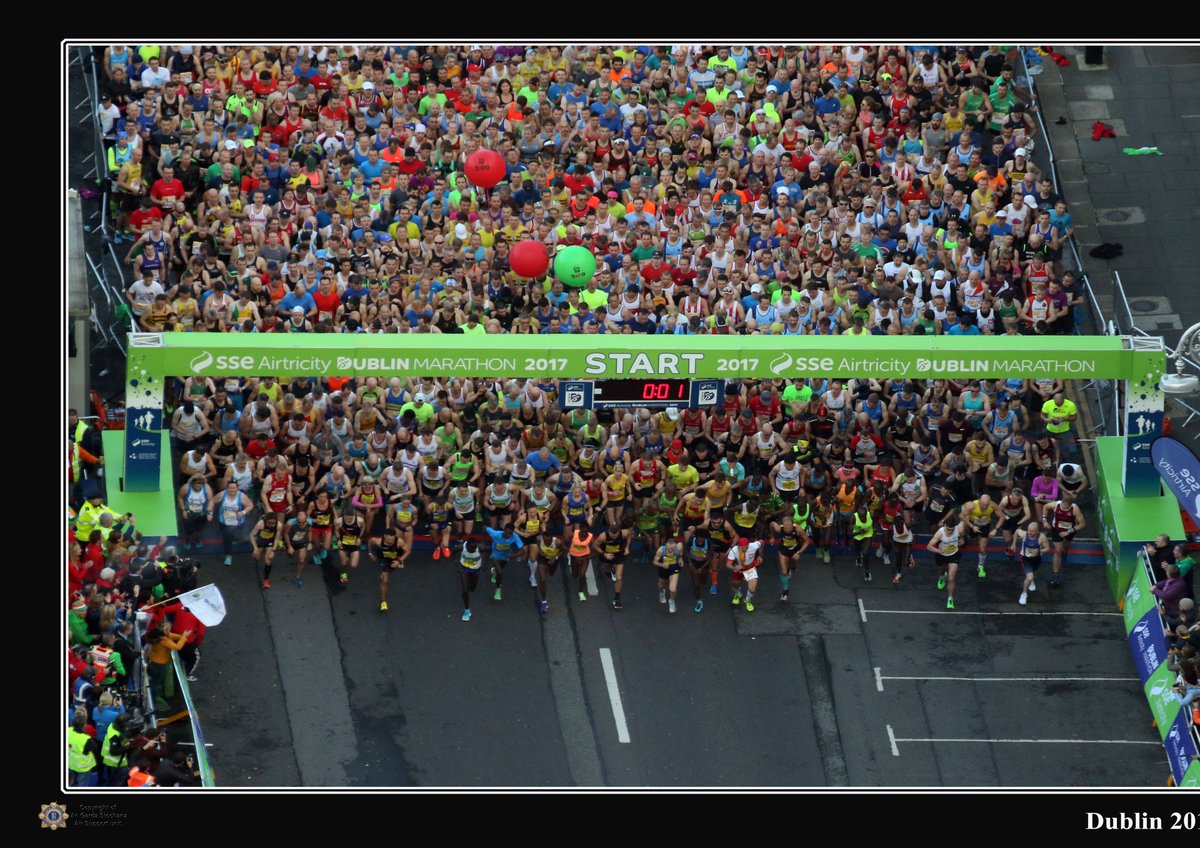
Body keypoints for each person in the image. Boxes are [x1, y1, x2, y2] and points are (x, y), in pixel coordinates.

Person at [1042, 492, 1084, 587]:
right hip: (1057, 530)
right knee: (1058, 550)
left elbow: (1082, 524)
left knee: (1065, 547)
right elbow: (1045, 507)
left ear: (1070, 505)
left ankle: (1065, 553)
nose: (1064, 509)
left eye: (1066, 508)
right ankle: (1055, 575)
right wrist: (1044, 520)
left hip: (1070, 530)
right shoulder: (1056, 505)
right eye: (1063, 507)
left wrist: (1068, 531)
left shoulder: (1075, 509)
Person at [928, 512, 966, 610]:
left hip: (954, 555)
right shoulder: (940, 533)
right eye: (948, 529)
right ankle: (942, 576)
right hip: (941, 555)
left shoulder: (958, 529)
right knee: (941, 570)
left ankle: (950, 598)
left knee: (951, 578)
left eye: (952, 529)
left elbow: (964, 518)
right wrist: (939, 551)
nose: (950, 531)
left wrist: (962, 540)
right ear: (945, 526)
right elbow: (929, 546)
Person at [210, 479, 252, 566]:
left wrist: (243, 512)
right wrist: (210, 513)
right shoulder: (222, 494)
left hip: (238, 523)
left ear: (237, 488)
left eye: (234, 488)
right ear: (227, 488)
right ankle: (228, 556)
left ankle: (235, 539)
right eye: (230, 488)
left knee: (236, 537)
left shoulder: (242, 496)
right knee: (227, 538)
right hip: (224, 521)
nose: (232, 490)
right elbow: (212, 501)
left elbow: (250, 505)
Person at [1008, 521, 1050, 605]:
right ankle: (1024, 593)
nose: (1029, 533)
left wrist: (1039, 550)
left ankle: (1032, 581)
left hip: (1036, 558)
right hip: (1025, 559)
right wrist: (1014, 544)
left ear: (1037, 531)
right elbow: (1016, 531)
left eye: (1032, 531)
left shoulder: (1042, 537)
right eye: (1028, 530)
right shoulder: (1024, 534)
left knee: (1034, 572)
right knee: (1029, 577)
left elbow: (1048, 548)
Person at [594, 518, 632, 610]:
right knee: (607, 570)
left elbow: (629, 536)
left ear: (619, 531)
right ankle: (609, 571)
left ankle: (617, 599)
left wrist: (627, 547)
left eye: (616, 536)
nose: (614, 538)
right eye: (612, 536)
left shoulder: (624, 532)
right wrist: (604, 554)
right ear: (609, 531)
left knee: (619, 578)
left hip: (618, 555)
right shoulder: (603, 536)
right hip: (606, 555)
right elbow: (595, 545)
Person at [960, 494, 1001, 578]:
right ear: (979, 502)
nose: (985, 507)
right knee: (975, 542)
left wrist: (995, 529)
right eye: (983, 505)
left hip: (985, 526)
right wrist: (972, 526)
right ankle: (966, 536)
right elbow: (961, 515)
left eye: (987, 505)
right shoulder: (972, 505)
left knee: (982, 548)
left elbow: (1002, 517)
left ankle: (980, 566)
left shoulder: (992, 505)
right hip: (973, 525)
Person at [485, 522, 524, 602]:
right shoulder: (496, 534)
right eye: (507, 533)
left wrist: (515, 555)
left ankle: (494, 572)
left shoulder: (515, 536)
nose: (508, 535)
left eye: (510, 533)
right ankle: (498, 590)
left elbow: (522, 550)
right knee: (500, 572)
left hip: (506, 556)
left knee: (500, 569)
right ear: (504, 530)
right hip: (495, 555)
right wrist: (482, 542)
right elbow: (484, 527)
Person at [372, 527, 409, 612]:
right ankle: (383, 602)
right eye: (388, 539)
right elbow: (370, 542)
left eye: (392, 540)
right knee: (385, 580)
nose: (390, 541)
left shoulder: (399, 542)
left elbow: (407, 551)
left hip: (394, 558)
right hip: (383, 559)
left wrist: (399, 560)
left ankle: (394, 564)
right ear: (385, 536)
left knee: (392, 569)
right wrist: (370, 553)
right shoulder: (378, 541)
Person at [725, 536, 763, 611]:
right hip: (739, 568)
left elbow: (761, 542)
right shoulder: (734, 550)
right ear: (739, 546)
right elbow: (728, 564)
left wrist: (760, 555)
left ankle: (747, 600)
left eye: (746, 547)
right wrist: (734, 568)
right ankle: (737, 594)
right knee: (735, 584)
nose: (745, 549)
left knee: (752, 589)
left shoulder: (753, 546)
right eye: (743, 547)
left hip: (750, 568)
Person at [652, 535, 684, 614]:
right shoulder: (661, 550)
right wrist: (662, 565)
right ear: (665, 545)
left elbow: (680, 556)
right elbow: (654, 562)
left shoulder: (678, 548)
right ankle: (662, 592)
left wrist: (680, 560)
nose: (670, 550)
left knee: (673, 589)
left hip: (674, 568)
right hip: (663, 569)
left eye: (672, 549)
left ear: (675, 546)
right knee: (661, 584)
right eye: (669, 549)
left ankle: (672, 600)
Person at [249, 511, 281, 589]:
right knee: (256, 557)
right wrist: (255, 548)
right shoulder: (260, 524)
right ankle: (261, 552)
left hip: (270, 541)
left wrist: (273, 550)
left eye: (273, 523)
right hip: (260, 540)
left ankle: (266, 579)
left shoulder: (279, 525)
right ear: (265, 521)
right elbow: (251, 535)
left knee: (268, 560)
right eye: (269, 523)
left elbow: (277, 538)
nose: (271, 525)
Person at [334, 505, 364, 585]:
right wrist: (338, 540)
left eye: (350, 518)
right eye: (346, 518)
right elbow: (336, 530)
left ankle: (348, 556)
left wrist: (360, 538)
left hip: (354, 544)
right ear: (344, 516)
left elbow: (363, 527)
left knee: (353, 565)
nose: (348, 520)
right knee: (343, 563)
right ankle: (343, 573)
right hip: (343, 544)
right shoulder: (339, 521)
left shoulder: (359, 521)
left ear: (354, 516)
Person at [458, 539, 484, 621]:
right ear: (467, 546)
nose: (472, 550)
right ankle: (467, 610)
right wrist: (456, 564)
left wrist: (485, 565)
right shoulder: (461, 547)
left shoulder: (481, 547)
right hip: (464, 569)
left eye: (474, 548)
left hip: (476, 570)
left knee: (472, 589)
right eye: (471, 548)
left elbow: (490, 550)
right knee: (465, 590)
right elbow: (453, 552)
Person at [569, 525, 594, 603]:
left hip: (584, 557)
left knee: (582, 574)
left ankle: (581, 592)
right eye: (582, 531)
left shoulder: (591, 537)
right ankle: (578, 575)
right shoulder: (574, 534)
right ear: (579, 530)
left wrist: (583, 558)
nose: (584, 533)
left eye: (586, 532)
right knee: (574, 575)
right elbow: (568, 539)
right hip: (574, 556)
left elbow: (595, 552)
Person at [851, 503, 875, 582]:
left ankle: (866, 571)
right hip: (857, 534)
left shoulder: (870, 515)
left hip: (868, 534)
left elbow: (874, 524)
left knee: (865, 553)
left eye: (863, 516)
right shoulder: (854, 517)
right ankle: (858, 557)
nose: (861, 518)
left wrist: (873, 533)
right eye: (860, 516)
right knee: (857, 549)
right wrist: (858, 532)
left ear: (866, 514)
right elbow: (849, 533)